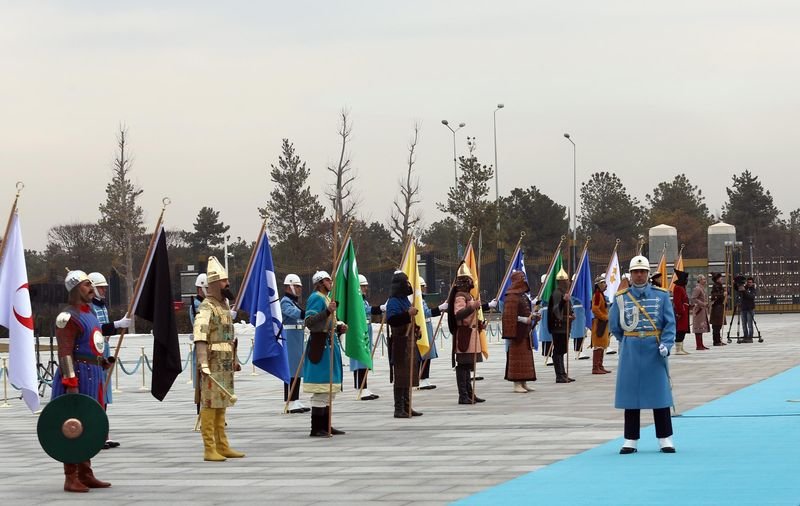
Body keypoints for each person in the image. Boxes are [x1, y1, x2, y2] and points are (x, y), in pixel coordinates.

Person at [51, 270, 119, 492]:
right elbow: (65, 354)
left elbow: (91, 345)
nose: (91, 288)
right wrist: (71, 382)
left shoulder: (90, 313)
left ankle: (86, 472)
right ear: (74, 289)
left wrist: (102, 361)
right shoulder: (67, 318)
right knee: (73, 425)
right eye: (86, 285)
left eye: (91, 284)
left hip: (93, 375)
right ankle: (71, 476)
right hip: (77, 376)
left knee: (89, 424)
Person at [610, 255, 677, 454]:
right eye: (635, 272)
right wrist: (628, 341)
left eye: (643, 272)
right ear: (630, 275)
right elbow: (615, 326)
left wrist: (666, 344)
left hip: (654, 349)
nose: (639, 275)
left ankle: (665, 437)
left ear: (648, 274)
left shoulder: (662, 295)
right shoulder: (621, 297)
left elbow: (669, 324)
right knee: (631, 395)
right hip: (631, 350)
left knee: (660, 395)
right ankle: (630, 439)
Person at [193, 256, 245, 461]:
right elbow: (200, 336)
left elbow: (229, 337)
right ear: (214, 284)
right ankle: (209, 447)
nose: (227, 284)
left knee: (222, 403)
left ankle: (222, 445)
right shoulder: (206, 307)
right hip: (212, 361)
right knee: (210, 404)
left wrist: (235, 359)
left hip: (225, 362)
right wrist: (203, 362)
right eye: (223, 281)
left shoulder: (223, 306)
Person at [87, 272, 130, 450]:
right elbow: (97, 329)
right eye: (100, 287)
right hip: (94, 352)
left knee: (103, 395)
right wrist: (118, 324)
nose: (104, 290)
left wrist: (117, 326)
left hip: (103, 349)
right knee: (97, 393)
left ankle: (103, 432)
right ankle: (95, 434)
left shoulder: (101, 306)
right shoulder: (89, 307)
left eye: (104, 287)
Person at [303, 270, 348, 437]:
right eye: (328, 280)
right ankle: (317, 427)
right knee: (321, 388)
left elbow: (328, 324)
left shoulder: (326, 298)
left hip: (330, 345)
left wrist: (338, 328)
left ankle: (327, 424)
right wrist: (328, 311)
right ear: (321, 282)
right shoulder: (316, 297)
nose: (331, 283)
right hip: (320, 346)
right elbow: (310, 322)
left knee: (330, 388)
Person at [446, 263, 486, 404]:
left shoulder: (467, 295)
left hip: (471, 332)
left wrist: (480, 323)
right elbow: (458, 314)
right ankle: (463, 395)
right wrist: (472, 306)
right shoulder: (460, 296)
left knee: (468, 365)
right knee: (463, 365)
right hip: (464, 333)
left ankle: (470, 393)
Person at [386, 272, 422, 418]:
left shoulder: (405, 300)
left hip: (409, 341)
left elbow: (410, 318)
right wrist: (408, 314)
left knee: (408, 375)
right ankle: (398, 408)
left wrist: (416, 328)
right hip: (400, 341)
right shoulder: (393, 301)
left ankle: (407, 406)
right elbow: (392, 319)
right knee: (400, 375)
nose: (408, 284)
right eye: (406, 282)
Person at [502, 271, 537, 392]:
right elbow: (509, 316)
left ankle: (523, 382)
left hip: (524, 332)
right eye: (521, 278)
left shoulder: (522, 295)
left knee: (525, 358)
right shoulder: (511, 296)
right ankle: (516, 383)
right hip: (516, 332)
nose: (524, 280)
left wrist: (533, 317)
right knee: (517, 358)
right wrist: (525, 319)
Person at [280, 274, 311, 414]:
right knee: (291, 369)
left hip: (297, 336)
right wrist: (309, 314)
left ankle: (295, 398)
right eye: (297, 286)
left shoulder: (294, 302)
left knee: (298, 369)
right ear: (289, 286)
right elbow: (294, 314)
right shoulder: (285, 302)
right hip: (290, 336)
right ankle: (290, 400)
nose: (299, 289)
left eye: (300, 287)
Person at [351, 274, 382, 401]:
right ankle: (361, 388)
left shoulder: (363, 300)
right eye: (363, 286)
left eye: (366, 286)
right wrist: (379, 308)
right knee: (360, 360)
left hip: (365, 330)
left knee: (365, 359)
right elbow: (365, 310)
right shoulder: (356, 300)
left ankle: (364, 387)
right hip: (359, 331)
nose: (365, 288)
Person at [419, 276, 447, 390]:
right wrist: (439, 308)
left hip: (427, 326)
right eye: (422, 287)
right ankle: (422, 378)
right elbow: (425, 313)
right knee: (424, 354)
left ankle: (425, 378)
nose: (424, 289)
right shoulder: (417, 300)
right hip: (423, 328)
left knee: (428, 354)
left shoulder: (422, 299)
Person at [548, 267, 574, 383]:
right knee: (558, 351)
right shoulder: (557, 294)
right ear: (562, 282)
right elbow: (556, 311)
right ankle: (559, 375)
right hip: (559, 327)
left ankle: (563, 373)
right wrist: (564, 302)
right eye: (567, 281)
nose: (568, 283)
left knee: (562, 351)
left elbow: (566, 309)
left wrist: (571, 315)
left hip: (564, 327)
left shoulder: (564, 293)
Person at [590, 274, 611, 374]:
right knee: (598, 344)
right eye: (602, 283)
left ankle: (600, 365)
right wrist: (604, 317)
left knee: (602, 344)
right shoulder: (597, 295)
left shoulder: (601, 295)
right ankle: (595, 367)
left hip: (603, 322)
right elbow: (595, 308)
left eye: (604, 282)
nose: (604, 285)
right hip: (599, 322)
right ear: (598, 285)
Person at [672, 270, 691, 355]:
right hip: (681, 313)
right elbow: (677, 301)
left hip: (685, 311)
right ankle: (678, 349)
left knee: (683, 330)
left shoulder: (682, 287)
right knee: (680, 330)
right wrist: (681, 311)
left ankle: (681, 347)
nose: (687, 280)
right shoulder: (677, 287)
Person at [690, 274, 710, 350]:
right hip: (698, 310)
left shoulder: (702, 288)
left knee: (701, 328)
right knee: (698, 328)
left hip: (702, 310)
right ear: (699, 280)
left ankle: (701, 344)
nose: (705, 280)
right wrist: (702, 304)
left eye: (705, 279)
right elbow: (693, 298)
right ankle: (698, 345)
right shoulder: (698, 288)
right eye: (703, 279)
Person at [709, 272, 727, 346]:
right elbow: (714, 296)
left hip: (720, 307)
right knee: (716, 325)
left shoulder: (719, 286)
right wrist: (722, 294)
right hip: (717, 308)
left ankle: (718, 340)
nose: (721, 279)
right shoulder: (715, 286)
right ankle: (716, 341)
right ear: (717, 279)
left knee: (719, 325)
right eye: (720, 278)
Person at [739, 276, 757, 343]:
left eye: (750, 282)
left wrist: (744, 291)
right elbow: (740, 294)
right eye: (748, 282)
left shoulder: (753, 289)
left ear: (752, 283)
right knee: (744, 324)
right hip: (743, 308)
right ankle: (745, 336)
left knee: (750, 324)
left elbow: (751, 297)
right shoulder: (744, 288)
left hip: (750, 308)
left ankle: (750, 337)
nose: (749, 283)